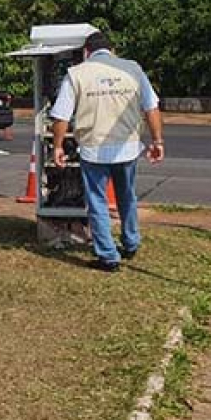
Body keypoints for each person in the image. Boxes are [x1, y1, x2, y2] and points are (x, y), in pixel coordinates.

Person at [50, 31, 164, 272]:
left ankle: (108, 256)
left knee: (97, 201)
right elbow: (151, 107)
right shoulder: (132, 68)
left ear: (86, 52)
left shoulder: (77, 74)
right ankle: (131, 242)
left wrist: (58, 146)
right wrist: (157, 141)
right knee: (127, 196)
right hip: (127, 146)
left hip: (94, 148)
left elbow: (60, 116)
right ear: (112, 51)